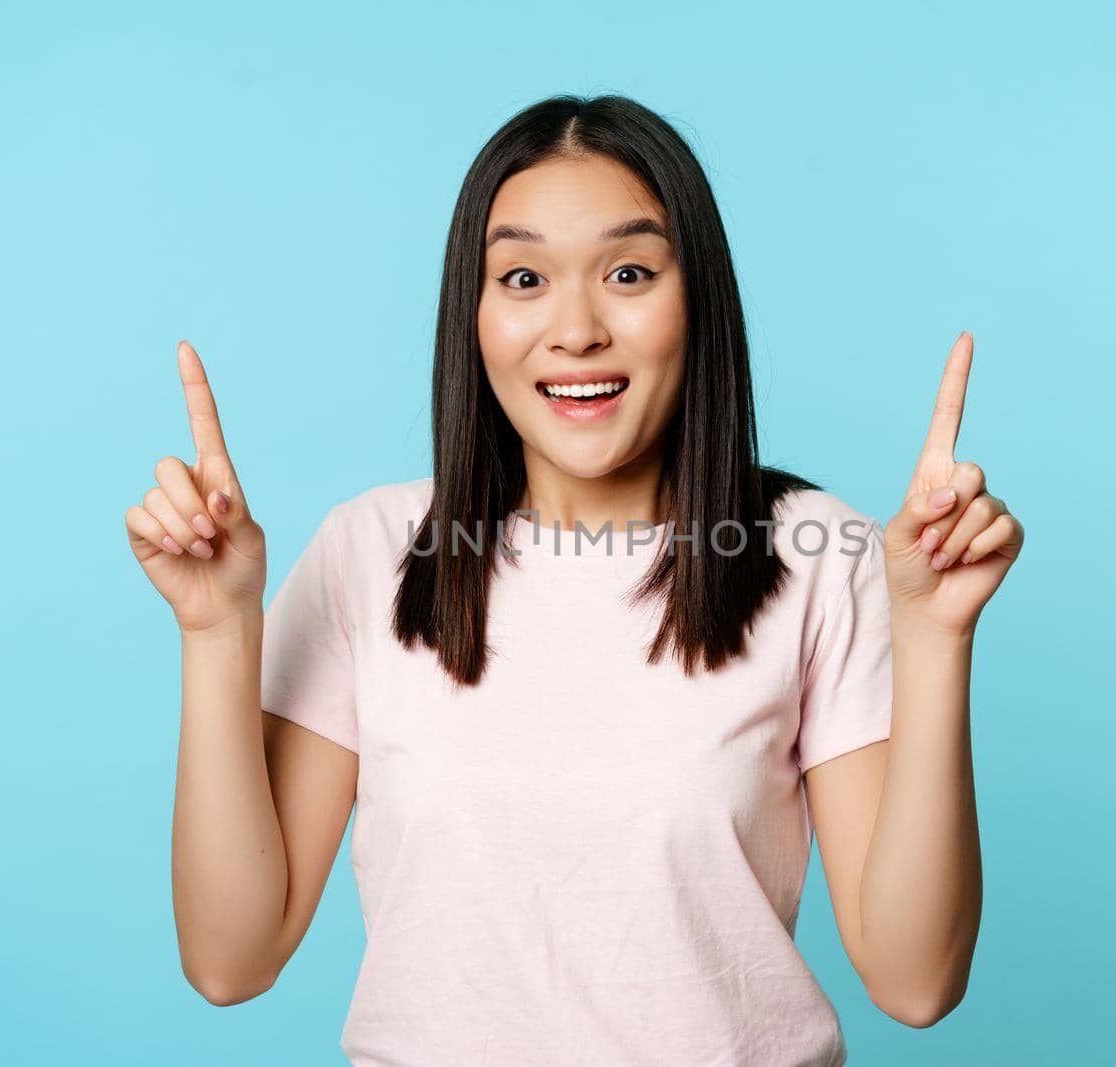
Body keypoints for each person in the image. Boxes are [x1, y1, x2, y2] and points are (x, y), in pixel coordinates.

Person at [124, 93, 1024, 1066]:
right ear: (471, 316)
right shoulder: (367, 553)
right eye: (522, 277)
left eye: (629, 271)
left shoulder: (816, 555)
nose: (576, 328)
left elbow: (915, 977)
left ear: (699, 301)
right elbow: (230, 958)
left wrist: (937, 636)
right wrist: (217, 633)